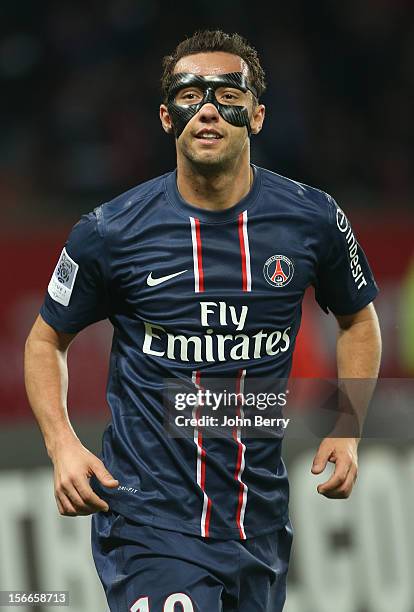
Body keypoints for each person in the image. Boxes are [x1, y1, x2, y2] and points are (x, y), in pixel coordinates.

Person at [24, 30, 382, 612]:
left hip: (259, 522)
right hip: (149, 521)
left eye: (228, 93)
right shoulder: (111, 231)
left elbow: (358, 321)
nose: (209, 107)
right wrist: (61, 442)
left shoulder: (312, 220)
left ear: (257, 115)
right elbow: (45, 341)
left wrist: (349, 426)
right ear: (168, 117)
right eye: (190, 93)